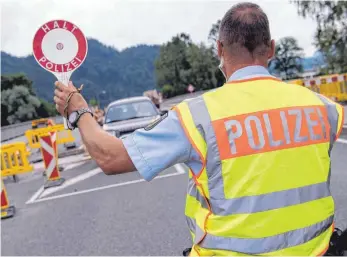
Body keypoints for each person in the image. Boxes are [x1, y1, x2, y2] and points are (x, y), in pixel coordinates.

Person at [53, 2, 345, 256]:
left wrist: (78, 111)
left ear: (219, 49)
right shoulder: (323, 108)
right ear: (271, 48)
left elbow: (110, 157)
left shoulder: (197, 116)